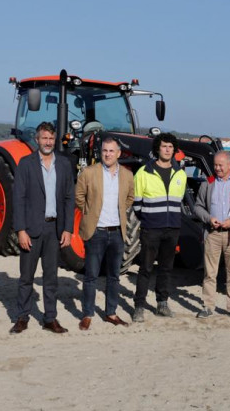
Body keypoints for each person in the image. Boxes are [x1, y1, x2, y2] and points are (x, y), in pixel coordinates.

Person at [9, 122, 75, 334]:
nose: (47, 142)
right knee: (26, 277)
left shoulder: (64, 164)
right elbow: (18, 199)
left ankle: (50, 318)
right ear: (36, 140)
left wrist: (68, 228)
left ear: (54, 141)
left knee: (51, 278)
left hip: (54, 229)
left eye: (51, 138)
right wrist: (20, 230)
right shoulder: (25, 163)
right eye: (44, 138)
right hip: (31, 230)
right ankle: (22, 317)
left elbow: (68, 198)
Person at [75, 137, 135, 330]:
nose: (108, 154)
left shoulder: (126, 175)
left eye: (111, 151)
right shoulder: (89, 172)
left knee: (114, 276)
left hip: (117, 232)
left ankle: (111, 312)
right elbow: (79, 197)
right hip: (96, 231)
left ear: (118, 153)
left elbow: (130, 198)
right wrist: (90, 213)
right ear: (101, 153)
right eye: (104, 151)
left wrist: (119, 213)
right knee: (91, 275)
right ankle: (87, 314)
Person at [131, 132, 188, 322]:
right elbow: (137, 203)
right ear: (157, 148)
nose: (167, 150)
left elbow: (178, 200)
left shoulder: (180, 174)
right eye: (164, 146)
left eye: (171, 147)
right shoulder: (143, 172)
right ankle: (139, 306)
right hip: (151, 228)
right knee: (145, 268)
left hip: (172, 228)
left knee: (166, 268)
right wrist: (149, 218)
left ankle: (162, 303)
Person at [193, 151, 230, 320]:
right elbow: (198, 207)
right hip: (212, 234)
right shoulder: (207, 183)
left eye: (220, 165)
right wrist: (208, 218)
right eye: (215, 165)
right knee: (209, 273)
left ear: (229, 165)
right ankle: (208, 306)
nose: (217, 168)